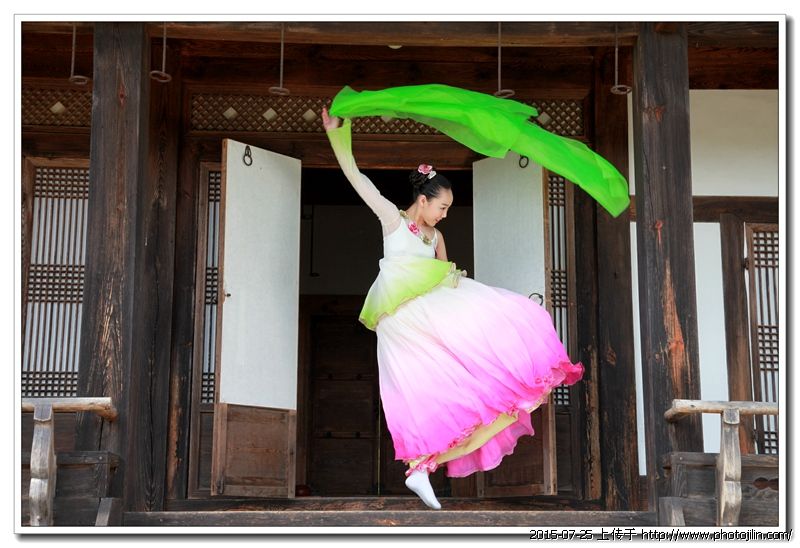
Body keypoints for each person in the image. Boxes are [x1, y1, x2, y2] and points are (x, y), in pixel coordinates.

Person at [322, 106, 584, 510]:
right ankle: (422, 461)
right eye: (441, 206)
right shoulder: (393, 221)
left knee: (463, 387)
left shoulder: (435, 237)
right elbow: (358, 179)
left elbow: (448, 278)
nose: (445, 214)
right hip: (401, 316)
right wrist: (337, 136)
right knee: (421, 389)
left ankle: (422, 467)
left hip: (429, 314)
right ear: (422, 200)